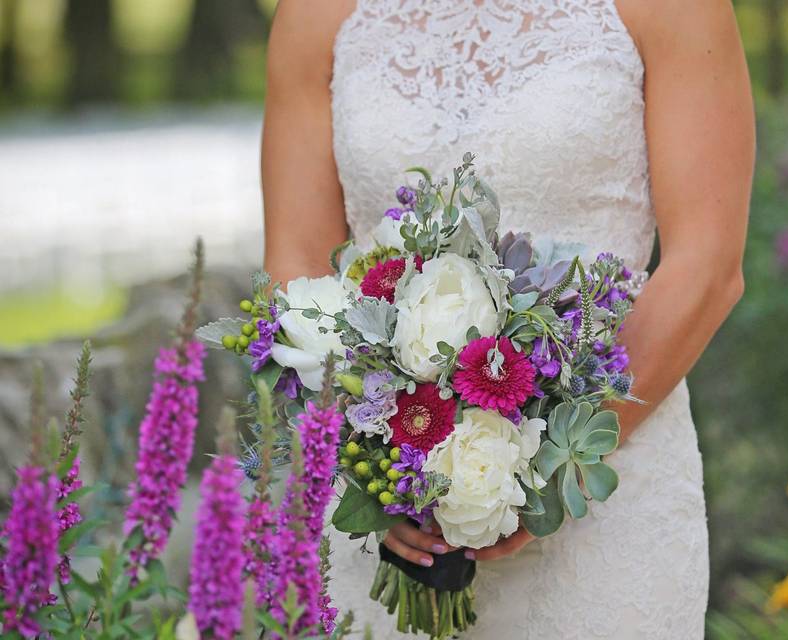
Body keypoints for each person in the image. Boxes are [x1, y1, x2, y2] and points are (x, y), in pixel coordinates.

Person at [261, 1, 754, 637]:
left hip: (603, 491)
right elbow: (296, 267)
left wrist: (540, 471)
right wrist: (374, 468)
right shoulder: (318, 13)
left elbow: (708, 266)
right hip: (386, 507)